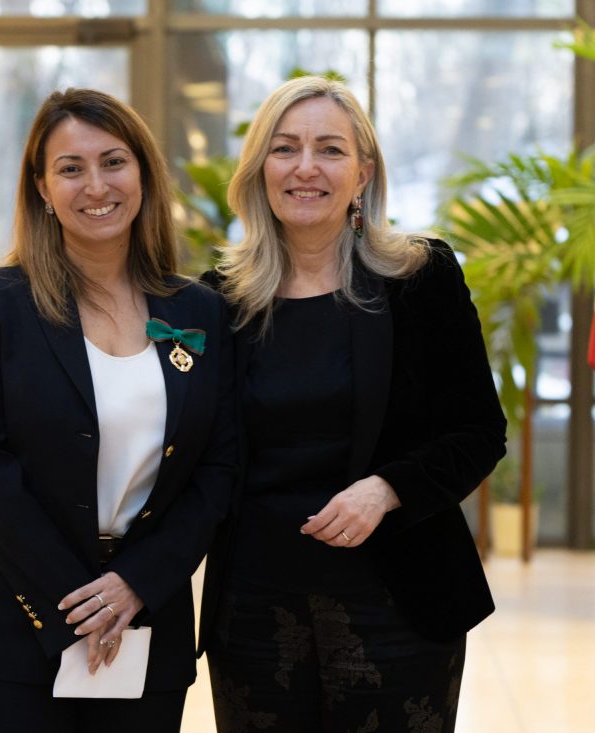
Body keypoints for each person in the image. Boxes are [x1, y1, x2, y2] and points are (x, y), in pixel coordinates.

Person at [199, 76, 507, 732]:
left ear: (363, 173)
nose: (306, 167)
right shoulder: (216, 300)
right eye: (285, 149)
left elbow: (480, 430)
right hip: (255, 611)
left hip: (398, 602)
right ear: (259, 170)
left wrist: (386, 489)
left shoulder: (421, 280)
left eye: (330, 150)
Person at [0, 88, 236, 732]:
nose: (95, 184)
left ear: (143, 175)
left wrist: (135, 583)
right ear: (42, 188)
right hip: (13, 623)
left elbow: (218, 469)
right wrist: (77, 603)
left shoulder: (197, 310)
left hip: (146, 616)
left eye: (113, 161)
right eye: (70, 168)